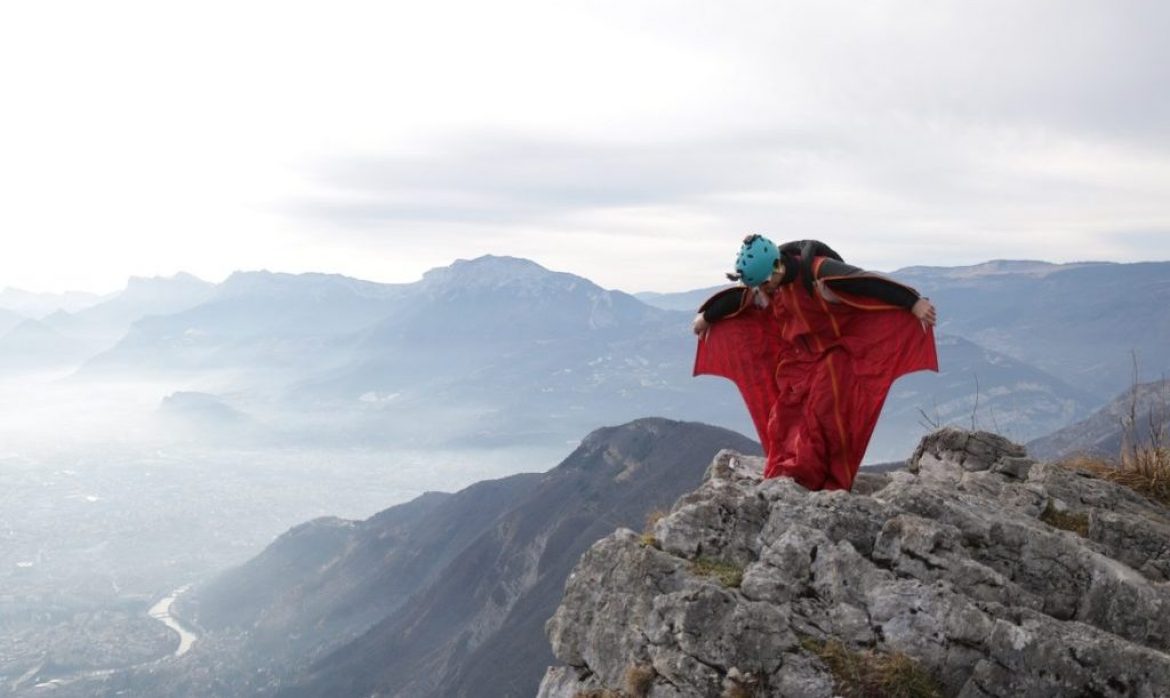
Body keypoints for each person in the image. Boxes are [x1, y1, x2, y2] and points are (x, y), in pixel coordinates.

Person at [692, 235, 938, 491]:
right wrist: (707, 318)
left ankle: (818, 481)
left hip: (833, 356)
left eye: (765, 283)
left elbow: (868, 283)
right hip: (797, 361)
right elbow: (739, 299)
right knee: (783, 419)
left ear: (776, 267)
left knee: (822, 418)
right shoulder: (769, 283)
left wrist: (913, 303)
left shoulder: (819, 271)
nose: (763, 291)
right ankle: (792, 476)